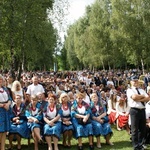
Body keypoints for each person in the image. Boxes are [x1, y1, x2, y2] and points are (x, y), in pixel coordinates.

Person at [126, 75, 150, 150]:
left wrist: (139, 98)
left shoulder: (142, 90)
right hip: (134, 110)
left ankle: (140, 144)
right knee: (134, 129)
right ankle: (136, 146)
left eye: (136, 81)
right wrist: (142, 97)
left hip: (142, 110)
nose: (135, 82)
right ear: (131, 82)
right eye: (134, 81)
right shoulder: (129, 90)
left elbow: (148, 98)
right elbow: (134, 97)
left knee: (142, 129)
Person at [0, 74, 12, 150]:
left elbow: (10, 99)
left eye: (1, 80)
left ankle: (3, 148)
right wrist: (2, 105)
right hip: (0, 111)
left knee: (4, 131)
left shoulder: (6, 89)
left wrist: (8, 104)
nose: (0, 81)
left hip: (6, 111)